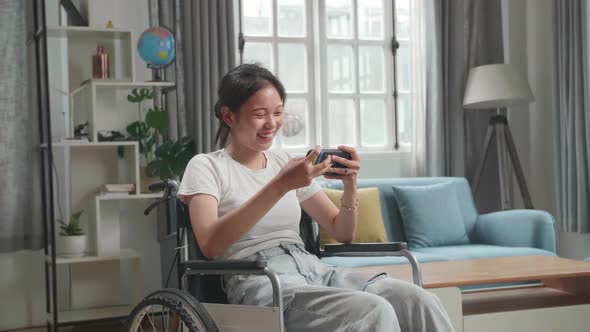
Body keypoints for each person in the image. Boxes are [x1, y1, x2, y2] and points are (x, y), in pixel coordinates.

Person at [178, 63, 455, 332]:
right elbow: (211, 244)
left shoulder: (285, 163)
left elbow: (342, 231)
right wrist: (280, 186)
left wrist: (350, 184)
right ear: (229, 116)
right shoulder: (207, 166)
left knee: (419, 301)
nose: (271, 123)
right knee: (372, 309)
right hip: (262, 279)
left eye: (278, 112)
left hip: (313, 267)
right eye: (260, 114)